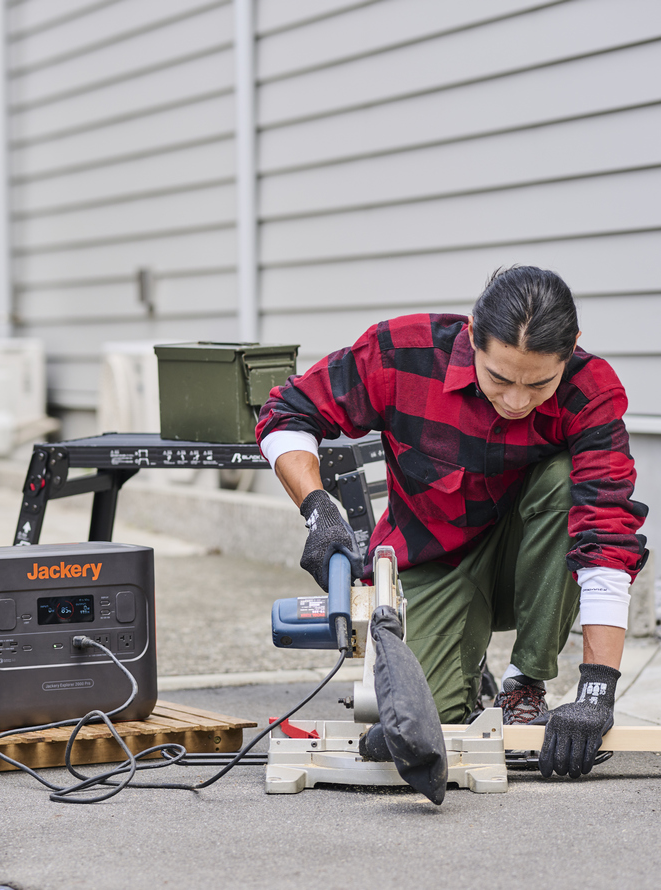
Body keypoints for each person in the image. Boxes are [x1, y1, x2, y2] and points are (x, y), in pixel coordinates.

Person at [256, 266, 648, 780]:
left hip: (527, 565)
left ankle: (523, 685)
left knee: (564, 478)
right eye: (500, 378)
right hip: (431, 559)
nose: (515, 401)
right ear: (471, 334)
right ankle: (466, 676)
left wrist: (597, 691)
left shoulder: (590, 390)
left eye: (539, 384)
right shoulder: (401, 353)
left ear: (572, 347)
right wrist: (317, 508)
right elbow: (287, 413)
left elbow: (606, 535)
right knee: (426, 729)